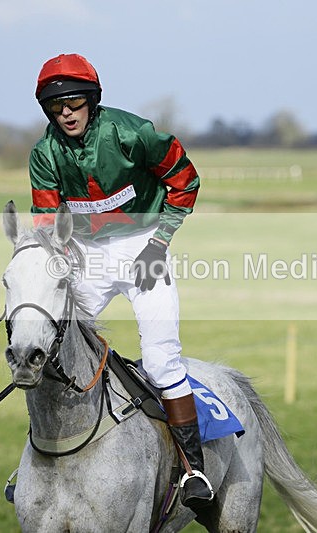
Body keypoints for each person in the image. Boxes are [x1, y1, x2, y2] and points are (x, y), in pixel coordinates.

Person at [28, 53, 211, 508]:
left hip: (145, 245)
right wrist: (60, 257)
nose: (65, 113)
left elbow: (185, 182)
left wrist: (161, 240)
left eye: (73, 102)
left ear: (91, 100)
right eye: (56, 107)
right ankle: (38, 462)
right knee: (53, 345)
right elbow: (47, 221)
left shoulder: (134, 133)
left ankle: (194, 472)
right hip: (89, 254)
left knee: (161, 359)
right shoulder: (44, 153)